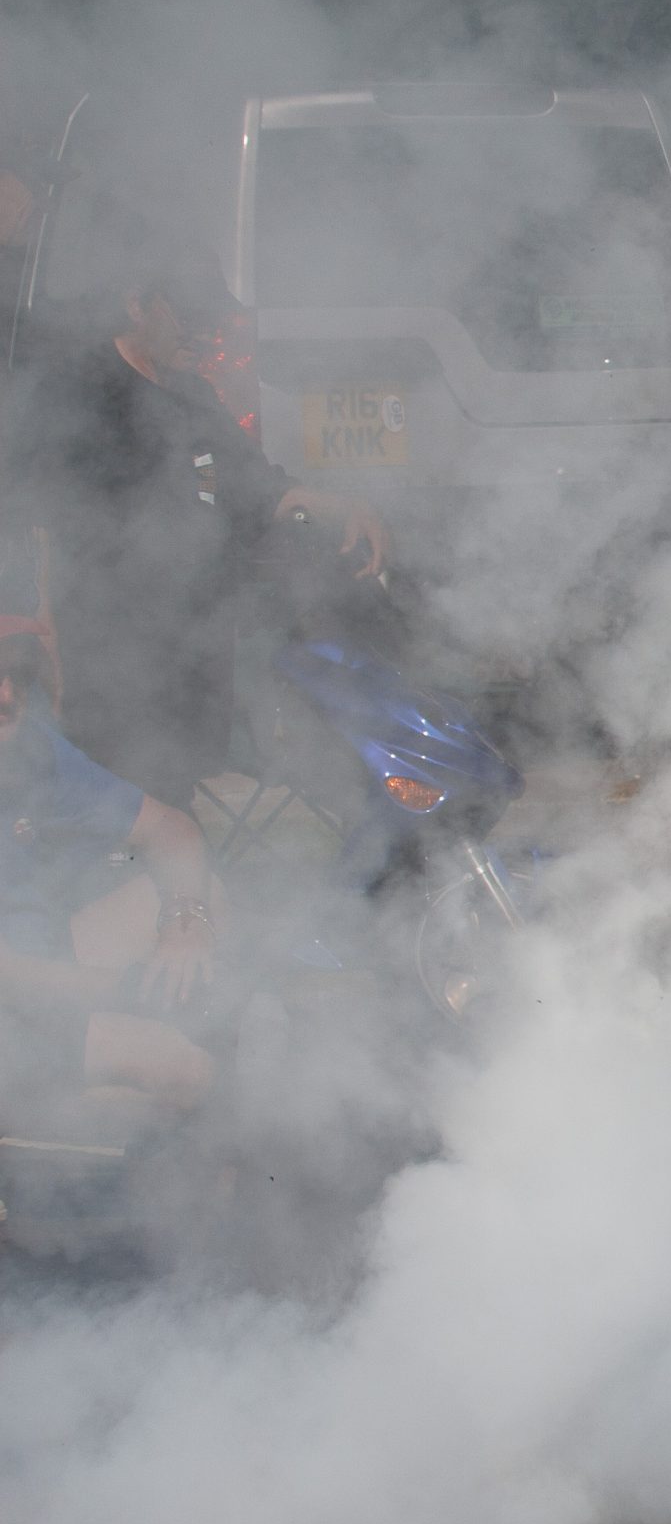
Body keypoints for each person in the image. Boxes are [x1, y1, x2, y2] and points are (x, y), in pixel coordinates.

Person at [0, 257, 386, 810]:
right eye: (189, 315)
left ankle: (178, 887)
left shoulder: (191, 395)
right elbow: (40, 531)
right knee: (117, 802)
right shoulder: (81, 393)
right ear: (138, 304)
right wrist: (52, 655)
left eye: (211, 316)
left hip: (190, 646)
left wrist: (335, 505)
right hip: (108, 655)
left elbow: (249, 487)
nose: (204, 330)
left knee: (173, 792)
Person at [0, 616, 222, 1120]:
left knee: (200, 899)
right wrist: (134, 991)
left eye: (15, 672)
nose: (6, 694)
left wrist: (186, 926)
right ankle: (159, 1190)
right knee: (188, 1065)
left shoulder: (30, 750)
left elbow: (171, 829)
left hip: (41, 970)